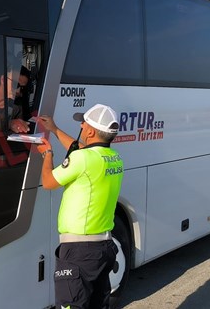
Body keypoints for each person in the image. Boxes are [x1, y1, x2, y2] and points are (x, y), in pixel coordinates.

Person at [35, 104, 124, 309]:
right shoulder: (113, 158)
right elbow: (83, 152)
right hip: (104, 247)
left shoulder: (82, 159)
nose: (81, 126)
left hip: (79, 252)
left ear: (91, 131)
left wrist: (47, 153)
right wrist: (55, 130)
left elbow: (48, 182)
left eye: (83, 123)